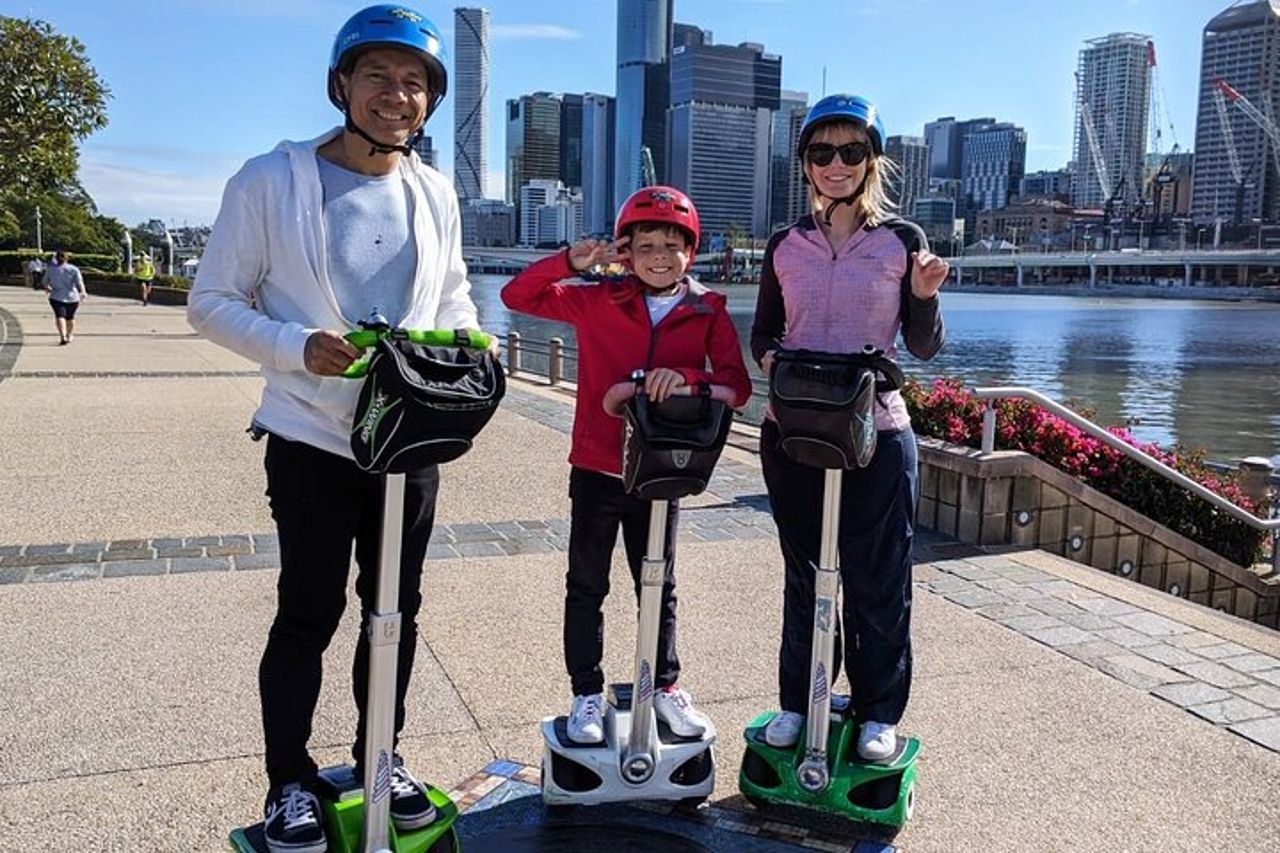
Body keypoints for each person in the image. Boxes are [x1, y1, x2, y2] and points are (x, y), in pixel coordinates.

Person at [187, 6, 485, 852]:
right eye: (380, 77)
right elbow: (210, 302)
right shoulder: (269, 181)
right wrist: (295, 346)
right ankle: (290, 778)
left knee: (396, 609)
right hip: (310, 440)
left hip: (411, 439)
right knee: (307, 611)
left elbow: (455, 293)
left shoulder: (433, 188)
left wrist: (466, 343)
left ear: (431, 101)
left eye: (417, 83)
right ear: (342, 84)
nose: (399, 96)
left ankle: (380, 755)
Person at [501, 186, 753, 746]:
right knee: (586, 582)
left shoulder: (706, 308)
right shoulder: (598, 298)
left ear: (691, 250)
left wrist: (689, 381)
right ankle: (586, 693)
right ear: (626, 250)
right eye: (646, 245)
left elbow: (736, 386)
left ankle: (664, 687)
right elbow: (519, 295)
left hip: (664, 468)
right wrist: (573, 262)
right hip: (597, 464)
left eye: (673, 244)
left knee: (657, 583)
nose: (660, 255)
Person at [750, 94, 949, 761]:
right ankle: (799, 698)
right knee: (806, 574)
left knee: (878, 577)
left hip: (877, 432)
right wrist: (773, 358)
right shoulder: (786, 244)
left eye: (851, 152)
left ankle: (876, 709)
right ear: (805, 163)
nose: (836, 165)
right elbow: (762, 332)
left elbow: (922, 347)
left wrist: (925, 296)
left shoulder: (902, 241)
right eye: (822, 152)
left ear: (872, 161)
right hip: (795, 428)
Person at [43, 250, 86, 345]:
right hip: (72, 297)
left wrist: (48, 288)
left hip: (56, 296)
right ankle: (69, 335)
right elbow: (79, 282)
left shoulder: (50, 269)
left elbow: (45, 282)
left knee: (60, 316)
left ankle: (62, 336)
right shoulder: (73, 269)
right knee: (70, 318)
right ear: (67, 258)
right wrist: (83, 291)